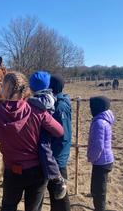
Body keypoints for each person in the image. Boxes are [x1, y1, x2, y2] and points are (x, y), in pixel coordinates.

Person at [0, 71, 64, 211]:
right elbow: (59, 131)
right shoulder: (37, 110)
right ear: (25, 89)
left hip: (12, 170)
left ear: (4, 88)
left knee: (8, 206)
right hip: (36, 171)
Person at [27, 71, 67, 200]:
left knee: (44, 147)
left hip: (44, 127)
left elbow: (37, 108)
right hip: (46, 125)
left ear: (32, 87)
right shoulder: (49, 95)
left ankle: (57, 177)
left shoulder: (39, 99)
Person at [48, 74, 72, 211]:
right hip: (56, 155)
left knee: (61, 193)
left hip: (58, 158)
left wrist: (56, 159)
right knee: (54, 193)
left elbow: (64, 135)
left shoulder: (60, 107)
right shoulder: (57, 103)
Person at [87, 96, 114, 211]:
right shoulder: (103, 120)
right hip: (103, 160)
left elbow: (98, 146)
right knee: (97, 186)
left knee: (99, 190)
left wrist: (92, 157)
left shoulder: (99, 123)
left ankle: (100, 208)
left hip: (101, 161)